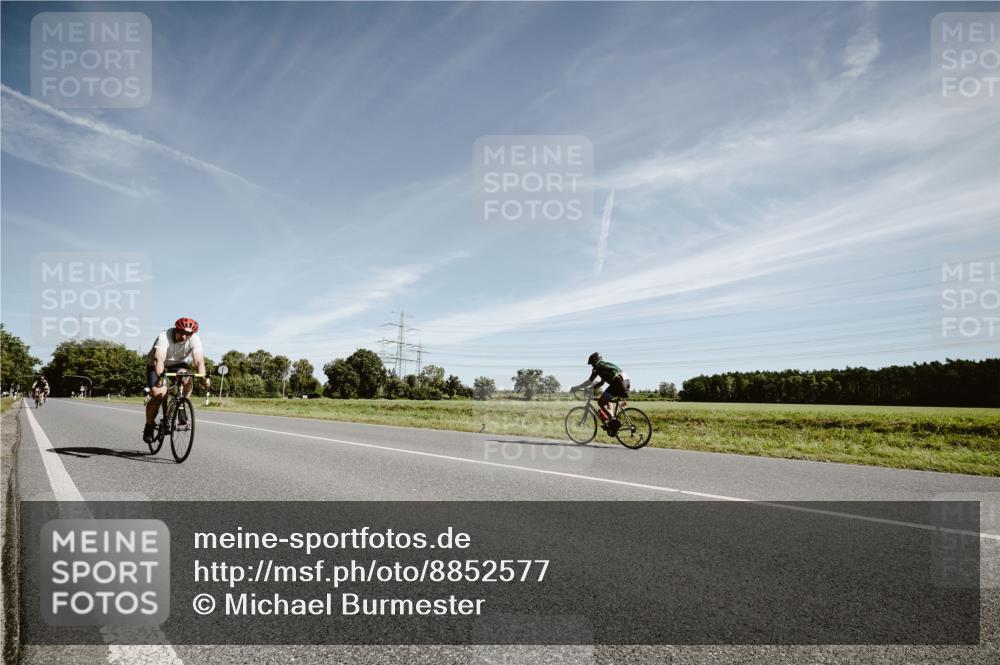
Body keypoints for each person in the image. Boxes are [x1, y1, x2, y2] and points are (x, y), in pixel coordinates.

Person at [143, 317, 209, 443]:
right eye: (182, 333)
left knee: (188, 377)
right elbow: (159, 359)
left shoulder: (195, 338)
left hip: (177, 364)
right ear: (176, 330)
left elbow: (199, 360)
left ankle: (183, 405)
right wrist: (160, 377)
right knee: (159, 394)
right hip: (156, 364)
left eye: (188, 334)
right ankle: (149, 425)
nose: (184, 337)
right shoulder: (164, 336)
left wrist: (203, 377)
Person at [570, 353, 630, 436]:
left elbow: (589, 381)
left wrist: (577, 388)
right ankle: (612, 420)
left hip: (618, 383)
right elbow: (601, 383)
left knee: (600, 402)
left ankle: (613, 421)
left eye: (592, 363)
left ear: (595, 361)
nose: (592, 366)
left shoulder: (598, 367)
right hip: (625, 382)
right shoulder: (604, 366)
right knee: (607, 399)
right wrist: (591, 388)